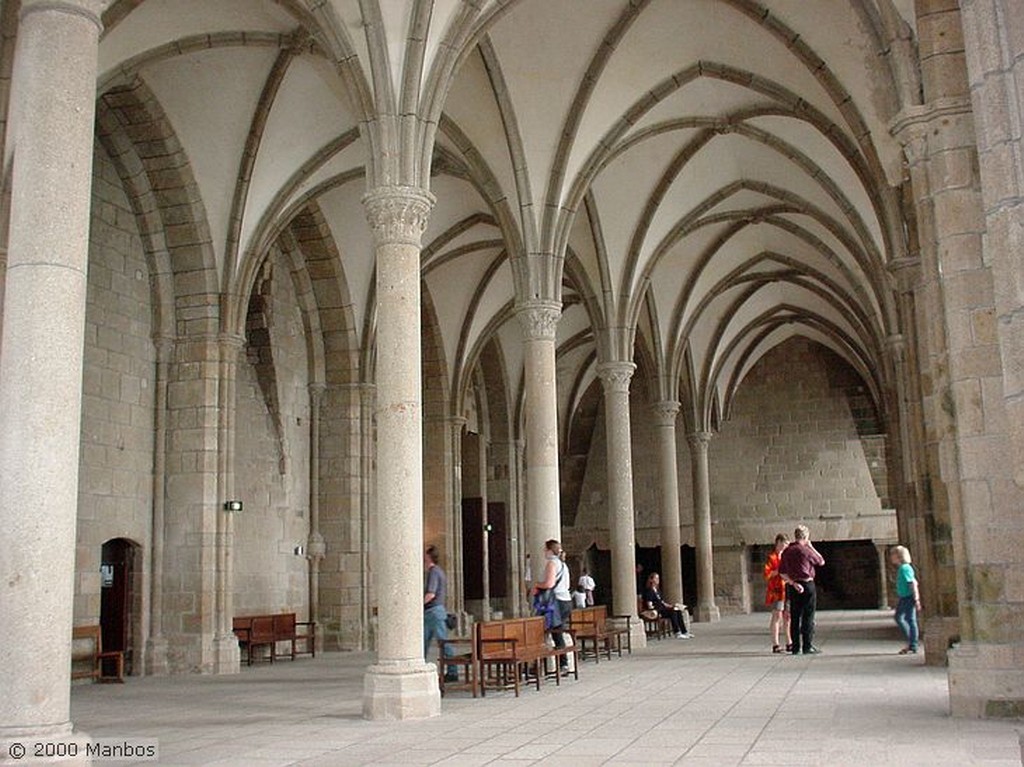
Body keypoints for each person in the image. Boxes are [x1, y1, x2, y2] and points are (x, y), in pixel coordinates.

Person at [778, 524, 825, 655]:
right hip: (807, 584)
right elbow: (821, 561)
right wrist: (811, 546)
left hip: (794, 586)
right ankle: (807, 646)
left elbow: (782, 572)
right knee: (808, 616)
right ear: (806, 536)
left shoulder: (787, 551)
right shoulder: (806, 550)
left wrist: (793, 583)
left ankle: (795, 647)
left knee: (795, 616)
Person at [533, 539, 573, 665]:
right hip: (566, 600)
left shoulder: (552, 563)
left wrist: (537, 585)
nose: (544, 551)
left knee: (544, 631)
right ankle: (563, 663)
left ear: (550, 550)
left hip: (557, 602)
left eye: (545, 549)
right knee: (557, 632)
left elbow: (549, 583)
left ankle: (540, 663)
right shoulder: (563, 564)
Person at [424, 545, 457, 682]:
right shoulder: (439, 571)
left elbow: (431, 594)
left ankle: (452, 671)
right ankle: (420, 665)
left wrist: (418, 605)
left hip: (433, 612)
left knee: (442, 642)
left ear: (428, 556)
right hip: (435, 612)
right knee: (424, 641)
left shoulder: (434, 572)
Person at [764, 533, 793, 653]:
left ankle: (789, 642)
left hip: (787, 590)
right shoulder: (771, 558)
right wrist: (778, 571)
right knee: (777, 616)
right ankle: (775, 644)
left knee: (788, 616)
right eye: (783, 544)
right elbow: (767, 575)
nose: (785, 547)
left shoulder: (787, 558)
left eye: (786, 544)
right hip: (777, 590)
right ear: (778, 543)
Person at [641, 572, 693, 639]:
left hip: (662, 608)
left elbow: (662, 602)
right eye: (656, 578)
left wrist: (671, 606)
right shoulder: (649, 591)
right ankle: (677, 632)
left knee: (678, 611)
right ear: (651, 580)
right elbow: (649, 604)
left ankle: (684, 631)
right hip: (656, 611)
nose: (658, 580)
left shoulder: (657, 590)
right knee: (673, 612)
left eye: (658, 578)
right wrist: (656, 609)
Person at [891, 545, 921, 655]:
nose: (891, 557)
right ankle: (912, 643)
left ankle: (912, 643)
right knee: (906, 619)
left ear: (899, 556)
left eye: (893, 555)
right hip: (905, 597)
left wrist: (916, 599)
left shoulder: (905, 568)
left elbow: (912, 583)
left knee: (906, 619)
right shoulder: (902, 568)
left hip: (908, 598)